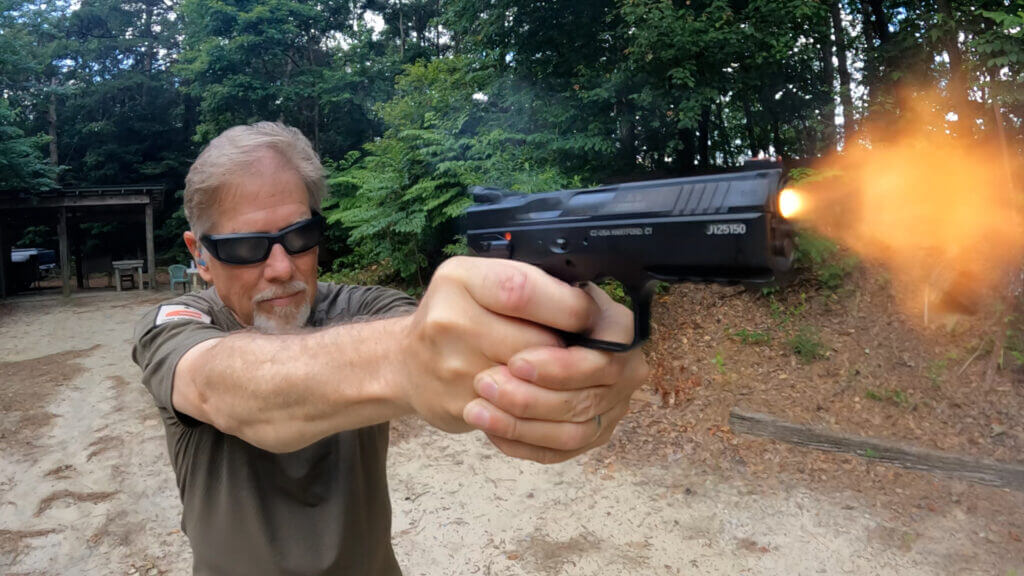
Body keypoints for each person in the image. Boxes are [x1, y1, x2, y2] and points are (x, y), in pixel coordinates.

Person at [131, 121, 648, 576]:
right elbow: (228, 388)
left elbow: (453, 351)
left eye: (300, 235)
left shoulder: (367, 306)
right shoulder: (175, 324)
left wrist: (567, 345)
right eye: (246, 247)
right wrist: (407, 358)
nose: (282, 267)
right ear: (200, 256)